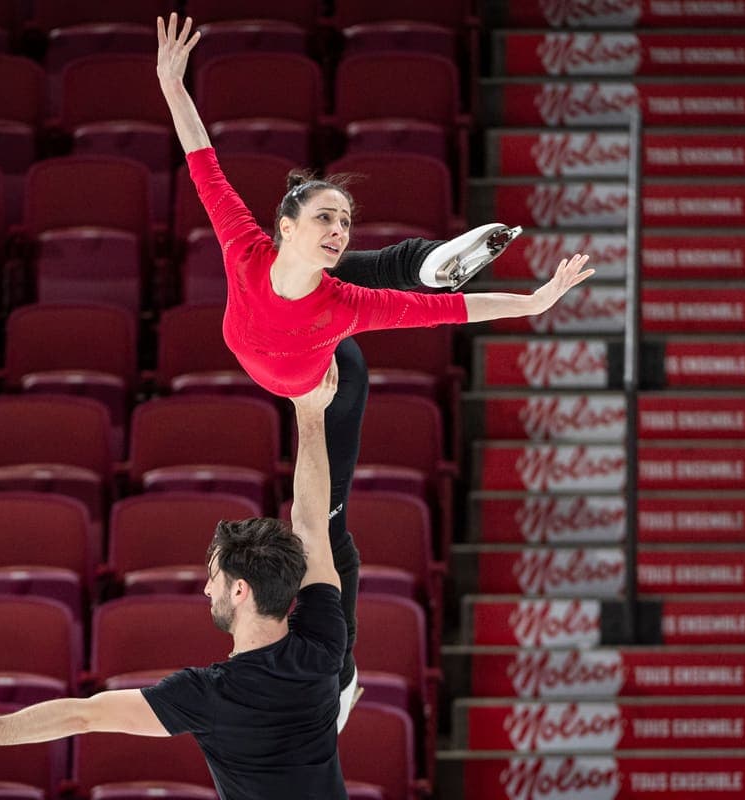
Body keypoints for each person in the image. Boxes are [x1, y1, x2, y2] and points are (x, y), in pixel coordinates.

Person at [156, 13, 595, 729]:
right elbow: (201, 156)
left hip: (331, 386)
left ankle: (343, 677)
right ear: (286, 225)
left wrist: (533, 302)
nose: (338, 230)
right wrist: (172, 83)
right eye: (326, 219)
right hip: (296, 341)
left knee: (323, 531)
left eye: (345, 222)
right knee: (376, 272)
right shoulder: (244, 244)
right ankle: (424, 263)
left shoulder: (343, 302)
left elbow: (448, 315)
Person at [0, 361, 353, 798]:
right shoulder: (323, 642)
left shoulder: (211, 694)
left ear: (239, 590)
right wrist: (311, 414)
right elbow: (311, 525)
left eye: (214, 577)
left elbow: (83, 716)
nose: (206, 588)